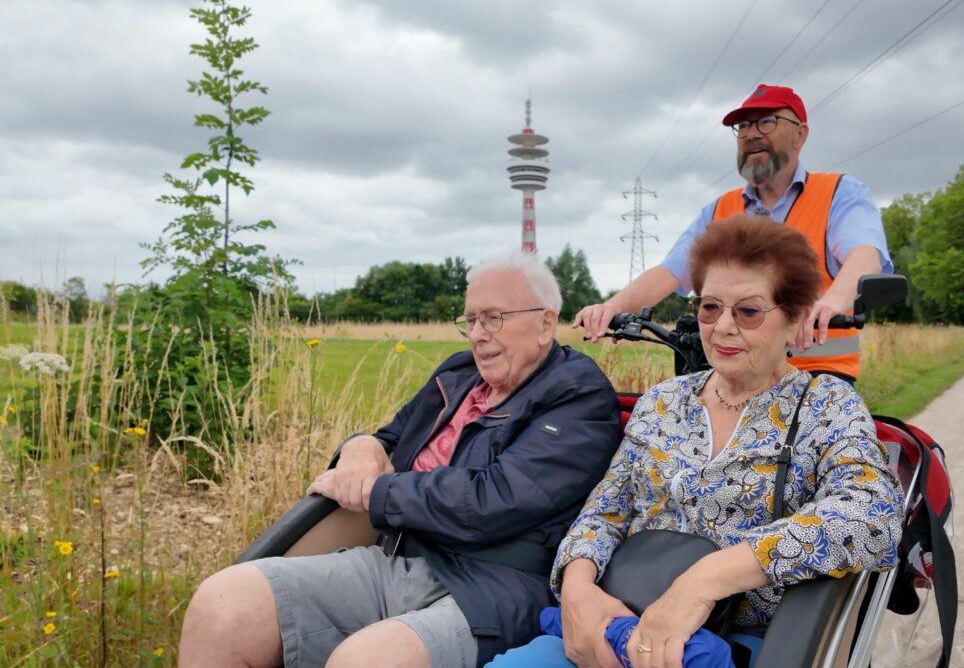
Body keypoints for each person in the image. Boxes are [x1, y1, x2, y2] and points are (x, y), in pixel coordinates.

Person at [489, 216, 903, 668]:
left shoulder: (825, 405)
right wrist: (578, 591)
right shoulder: (662, 402)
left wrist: (704, 580)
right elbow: (605, 510)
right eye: (710, 308)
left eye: (748, 311)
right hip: (622, 616)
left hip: (735, 642)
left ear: (795, 319)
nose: (722, 327)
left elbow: (872, 516)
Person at [178, 251, 623, 668]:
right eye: (469, 320)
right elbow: (391, 439)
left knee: (366, 661)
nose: (477, 334)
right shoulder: (457, 374)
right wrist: (358, 446)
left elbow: (495, 500)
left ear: (546, 323)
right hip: (398, 555)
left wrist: (375, 491)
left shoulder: (578, 394)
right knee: (222, 603)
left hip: (494, 585)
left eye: (494, 318)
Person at [575, 84, 893, 383]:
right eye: (743, 127)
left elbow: (865, 255)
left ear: (800, 135)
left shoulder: (838, 193)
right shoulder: (719, 210)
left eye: (766, 122)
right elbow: (669, 272)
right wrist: (612, 308)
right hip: (735, 376)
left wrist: (834, 302)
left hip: (816, 375)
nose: (751, 134)